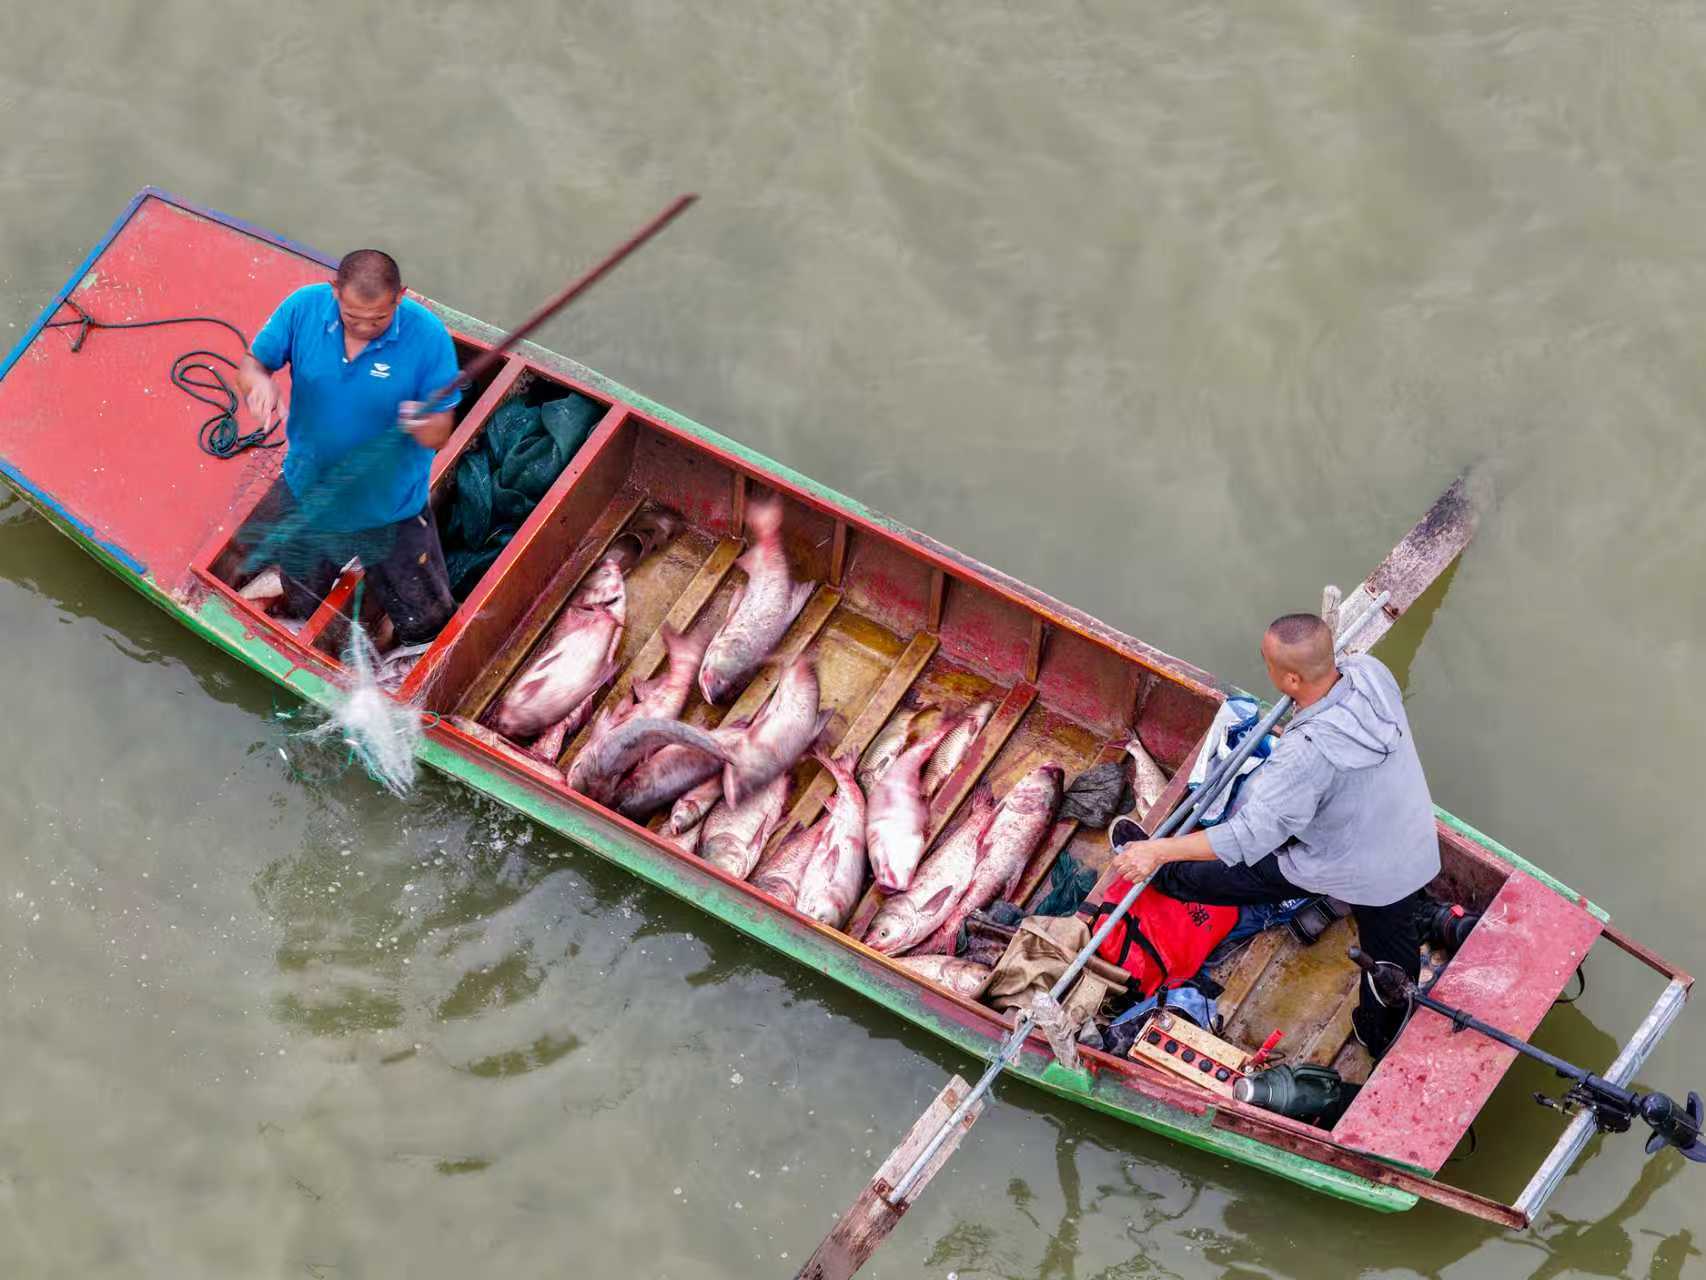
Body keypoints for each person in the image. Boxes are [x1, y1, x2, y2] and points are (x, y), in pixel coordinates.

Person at [1107, 614, 1439, 1057]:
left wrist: (1157, 850)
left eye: (1267, 662)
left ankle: (1165, 875)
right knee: (1393, 962)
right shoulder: (1371, 673)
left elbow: (1245, 838)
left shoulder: (1304, 756)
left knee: (1245, 869)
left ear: (1291, 679)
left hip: (1361, 871)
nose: (1264, 667)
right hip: (1413, 841)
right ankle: (1378, 1033)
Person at [236, 249, 461, 644]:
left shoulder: (428, 338)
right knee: (302, 590)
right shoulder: (302, 308)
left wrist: (421, 423)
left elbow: (440, 433)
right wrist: (259, 386)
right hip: (309, 486)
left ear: (400, 297)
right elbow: (254, 364)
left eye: (379, 318)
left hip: (389, 506)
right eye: (353, 317)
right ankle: (307, 622)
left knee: (425, 616)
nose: (365, 328)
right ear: (334, 291)